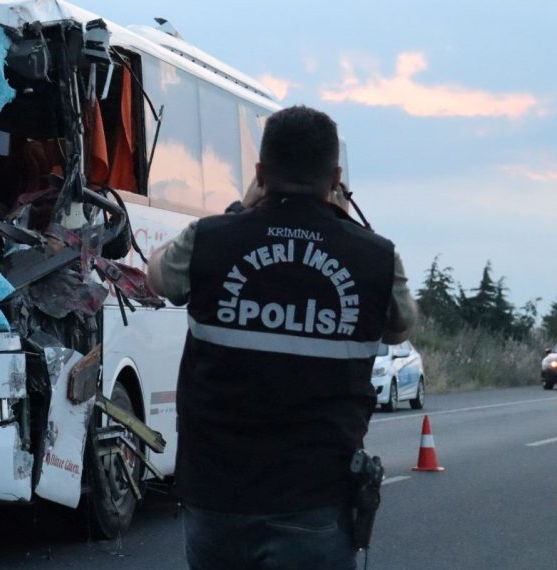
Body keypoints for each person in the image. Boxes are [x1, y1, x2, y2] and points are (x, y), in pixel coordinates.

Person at [146, 106, 416, 569]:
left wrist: (240, 212)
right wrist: (348, 226)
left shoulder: (209, 238)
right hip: (316, 495)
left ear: (259, 172)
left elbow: (157, 277)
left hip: (217, 494)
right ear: (334, 176)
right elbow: (399, 325)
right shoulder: (376, 257)